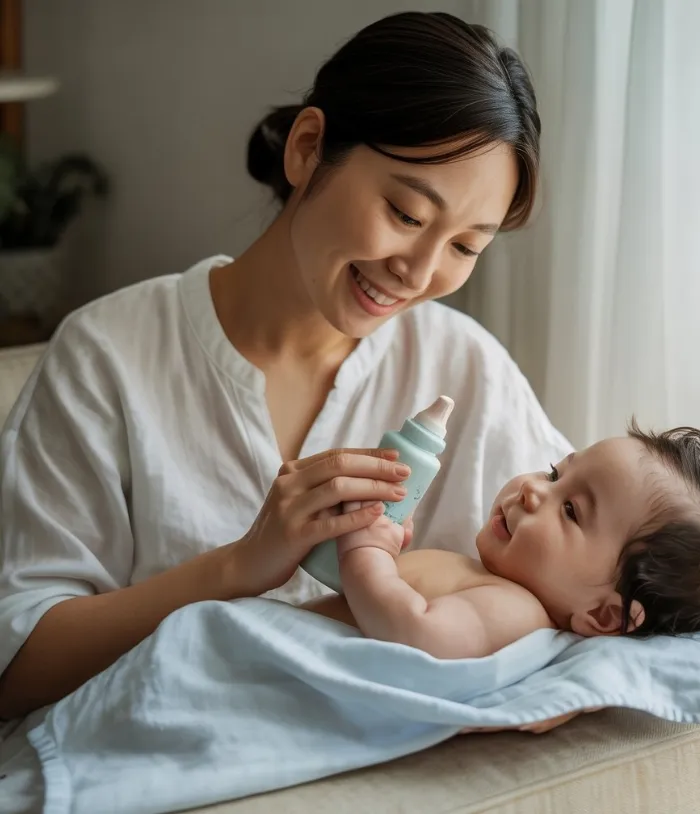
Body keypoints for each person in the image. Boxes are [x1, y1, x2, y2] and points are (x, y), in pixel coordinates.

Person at [0, 11, 572, 721]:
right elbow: (15, 671)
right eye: (405, 213)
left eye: (464, 247)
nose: (420, 271)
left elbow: (601, 581)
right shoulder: (107, 356)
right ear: (307, 148)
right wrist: (237, 567)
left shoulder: (465, 368)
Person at [306, 423, 700, 658]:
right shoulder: (492, 584)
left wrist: (367, 552)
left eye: (571, 510)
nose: (534, 490)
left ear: (605, 616)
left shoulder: (517, 613)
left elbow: (414, 631)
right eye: (555, 473)